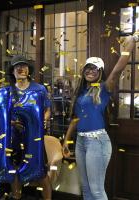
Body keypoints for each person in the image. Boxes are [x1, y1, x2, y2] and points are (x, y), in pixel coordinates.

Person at [62, 34, 139, 200]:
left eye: (95, 68)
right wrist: (66, 142)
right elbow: (76, 119)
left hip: (97, 142)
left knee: (96, 190)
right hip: (81, 142)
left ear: (101, 72)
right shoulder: (81, 92)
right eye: (88, 68)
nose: (90, 71)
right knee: (86, 188)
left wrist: (131, 44)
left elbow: (118, 69)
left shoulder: (104, 88)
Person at [7, 55, 52, 200]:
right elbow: (3, 114)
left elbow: (47, 110)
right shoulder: (8, 91)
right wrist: (12, 123)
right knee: (15, 170)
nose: (21, 68)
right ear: (12, 71)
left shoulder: (39, 89)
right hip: (14, 137)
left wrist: (41, 121)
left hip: (35, 138)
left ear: (28, 70)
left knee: (42, 173)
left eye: (24, 66)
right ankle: (16, 197)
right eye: (17, 66)